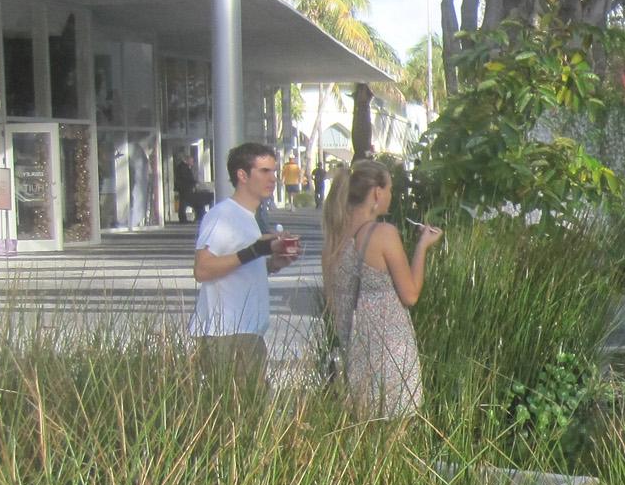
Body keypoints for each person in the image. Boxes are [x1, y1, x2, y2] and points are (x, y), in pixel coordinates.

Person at [322, 159, 443, 417]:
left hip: (353, 354)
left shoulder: (333, 239)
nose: (391, 195)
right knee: (395, 439)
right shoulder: (383, 233)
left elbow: (332, 303)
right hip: (391, 352)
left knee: (361, 438)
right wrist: (422, 247)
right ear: (377, 192)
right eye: (389, 189)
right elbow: (410, 295)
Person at [189, 143, 297, 388]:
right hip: (228, 333)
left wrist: (271, 264)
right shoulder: (224, 215)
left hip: (246, 331)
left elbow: (237, 266)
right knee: (243, 414)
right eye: (264, 171)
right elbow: (202, 269)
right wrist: (257, 250)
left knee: (251, 412)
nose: (273, 178)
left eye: (274, 171)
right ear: (242, 175)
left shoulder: (250, 217)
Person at [172, 153, 196, 222]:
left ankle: (183, 218)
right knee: (183, 203)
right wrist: (193, 182)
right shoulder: (183, 167)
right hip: (184, 188)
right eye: (191, 161)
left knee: (183, 203)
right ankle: (183, 218)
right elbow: (186, 178)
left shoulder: (183, 167)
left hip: (184, 188)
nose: (192, 163)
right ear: (187, 160)